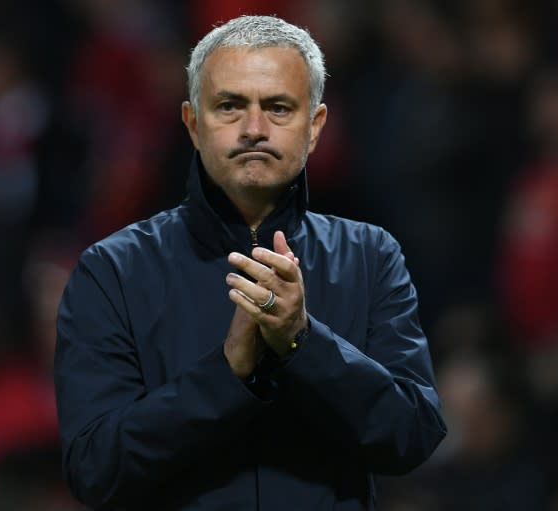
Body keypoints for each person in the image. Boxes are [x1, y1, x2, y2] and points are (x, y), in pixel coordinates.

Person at [54, 15, 446, 511]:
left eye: (279, 108)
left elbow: (412, 436)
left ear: (315, 127)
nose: (254, 129)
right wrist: (226, 373)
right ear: (193, 125)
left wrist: (303, 342)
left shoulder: (371, 256)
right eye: (229, 107)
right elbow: (94, 470)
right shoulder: (111, 271)